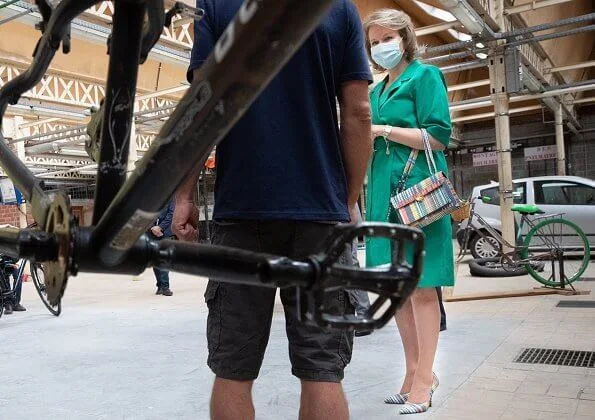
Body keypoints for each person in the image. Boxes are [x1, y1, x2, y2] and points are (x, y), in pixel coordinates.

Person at [174, 1, 372, 418]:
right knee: (322, 371)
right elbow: (357, 112)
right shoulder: (339, 9)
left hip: (242, 212)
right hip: (321, 214)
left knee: (233, 369)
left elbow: (202, 105)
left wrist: (184, 196)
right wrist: (347, 201)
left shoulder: (216, 4)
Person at [363, 9, 454, 415]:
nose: (381, 46)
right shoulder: (375, 90)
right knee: (398, 289)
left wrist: (383, 131)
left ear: (405, 37)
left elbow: (437, 138)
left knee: (422, 286)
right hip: (383, 195)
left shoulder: (425, 76)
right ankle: (414, 371)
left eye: (388, 37)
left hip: (418, 193)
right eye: (374, 40)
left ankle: (425, 380)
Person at [149, 199, 175, 296]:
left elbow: (171, 214)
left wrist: (160, 227)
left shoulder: (171, 196)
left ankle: (165, 287)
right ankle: (160, 286)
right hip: (150, 232)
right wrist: (153, 228)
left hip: (166, 232)